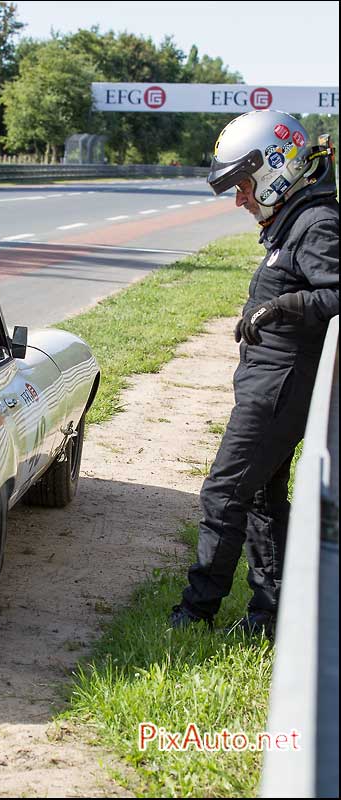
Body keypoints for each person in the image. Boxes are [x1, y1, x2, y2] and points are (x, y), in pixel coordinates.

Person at [170, 109, 339, 637]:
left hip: (282, 387)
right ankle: (269, 615)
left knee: (224, 493)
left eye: (243, 186)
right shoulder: (295, 219)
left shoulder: (317, 222)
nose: (240, 199)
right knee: (263, 496)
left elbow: (335, 293)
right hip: (270, 384)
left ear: (274, 170)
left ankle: (196, 611)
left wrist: (285, 306)